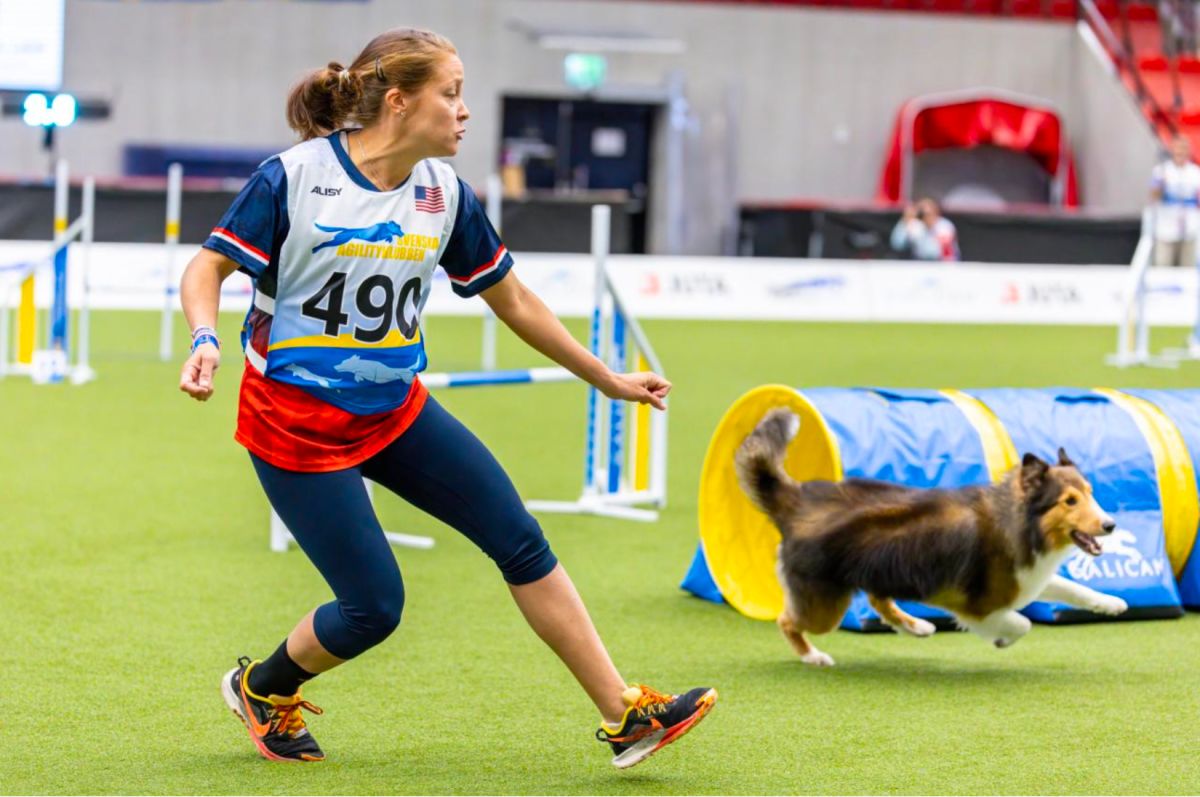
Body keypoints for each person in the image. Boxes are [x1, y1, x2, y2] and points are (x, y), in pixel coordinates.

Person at [178, 27, 716, 769]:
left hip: (397, 411)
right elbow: (204, 270)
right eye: (451, 93)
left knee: (519, 537)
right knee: (374, 608)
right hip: (296, 427)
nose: (465, 111)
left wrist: (606, 376)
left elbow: (516, 301)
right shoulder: (293, 178)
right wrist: (205, 338)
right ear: (398, 102)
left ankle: (626, 712)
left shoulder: (444, 193)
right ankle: (264, 686)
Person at [1149, 135, 1200, 270]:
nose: (1180, 153)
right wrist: (1160, 184)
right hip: (1166, 230)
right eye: (1178, 149)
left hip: (1189, 230)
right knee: (1163, 269)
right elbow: (1154, 196)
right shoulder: (1162, 171)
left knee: (1188, 272)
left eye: (1184, 149)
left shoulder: (1195, 172)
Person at [889, 197, 960, 262]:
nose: (927, 216)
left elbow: (945, 253)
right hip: (919, 263)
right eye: (924, 213)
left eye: (929, 212)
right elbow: (897, 245)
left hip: (940, 263)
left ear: (936, 212)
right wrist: (905, 221)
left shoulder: (944, 226)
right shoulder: (915, 225)